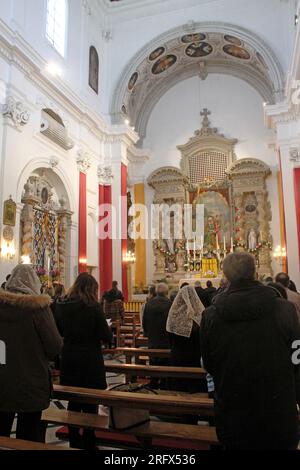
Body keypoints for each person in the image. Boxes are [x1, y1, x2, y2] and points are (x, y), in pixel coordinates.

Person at [201, 252, 300, 450]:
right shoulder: (285, 309)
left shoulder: (210, 315)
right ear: (255, 272)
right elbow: (296, 357)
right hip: (278, 407)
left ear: (226, 276)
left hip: (233, 408)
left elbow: (209, 363)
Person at [0, 264, 62, 442]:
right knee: (29, 436)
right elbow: (54, 346)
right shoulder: (38, 309)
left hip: (2, 381)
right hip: (31, 383)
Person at [55, 273, 112, 449]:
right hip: (90, 359)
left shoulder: (62, 305)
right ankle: (88, 438)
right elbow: (106, 335)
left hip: (70, 357)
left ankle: (73, 438)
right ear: (92, 288)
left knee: (73, 400)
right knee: (90, 401)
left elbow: (58, 331)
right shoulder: (93, 307)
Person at [166, 285, 206, 393]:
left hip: (177, 357)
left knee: (178, 388)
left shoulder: (173, 314)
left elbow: (169, 336)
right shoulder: (201, 314)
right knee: (197, 388)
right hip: (195, 358)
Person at [143, 283, 171, 388]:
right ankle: (164, 385)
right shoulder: (170, 304)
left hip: (153, 341)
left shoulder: (148, 304)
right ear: (167, 292)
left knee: (153, 364)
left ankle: (153, 384)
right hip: (166, 341)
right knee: (165, 366)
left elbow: (144, 323)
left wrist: (148, 334)